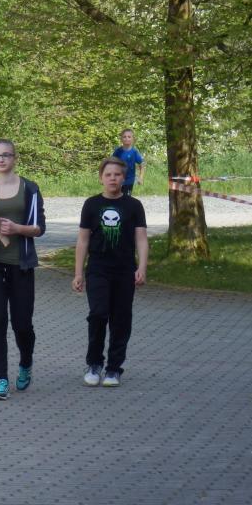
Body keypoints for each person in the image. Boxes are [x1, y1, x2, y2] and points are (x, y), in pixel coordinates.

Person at [0, 139, 45, 400]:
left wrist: (17, 229)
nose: (1, 159)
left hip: (21, 264)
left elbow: (39, 227)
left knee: (22, 324)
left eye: (6, 155)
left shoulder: (30, 189)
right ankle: (1, 379)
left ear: (15, 158)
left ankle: (25, 362)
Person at [72, 157, 148, 388]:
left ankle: (114, 368)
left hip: (125, 270)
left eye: (117, 174)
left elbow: (141, 239)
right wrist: (78, 273)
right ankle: (94, 363)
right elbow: (83, 240)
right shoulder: (91, 204)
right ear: (101, 178)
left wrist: (142, 267)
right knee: (98, 313)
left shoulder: (134, 206)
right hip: (98, 269)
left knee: (121, 318)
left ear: (124, 178)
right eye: (108, 175)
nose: (113, 178)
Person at [112, 128, 145, 196]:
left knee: (126, 198)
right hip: (118, 180)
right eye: (124, 137)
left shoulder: (134, 152)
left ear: (133, 139)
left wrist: (141, 177)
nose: (127, 138)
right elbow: (111, 163)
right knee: (116, 198)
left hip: (129, 181)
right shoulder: (118, 151)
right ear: (121, 139)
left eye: (129, 137)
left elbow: (141, 164)